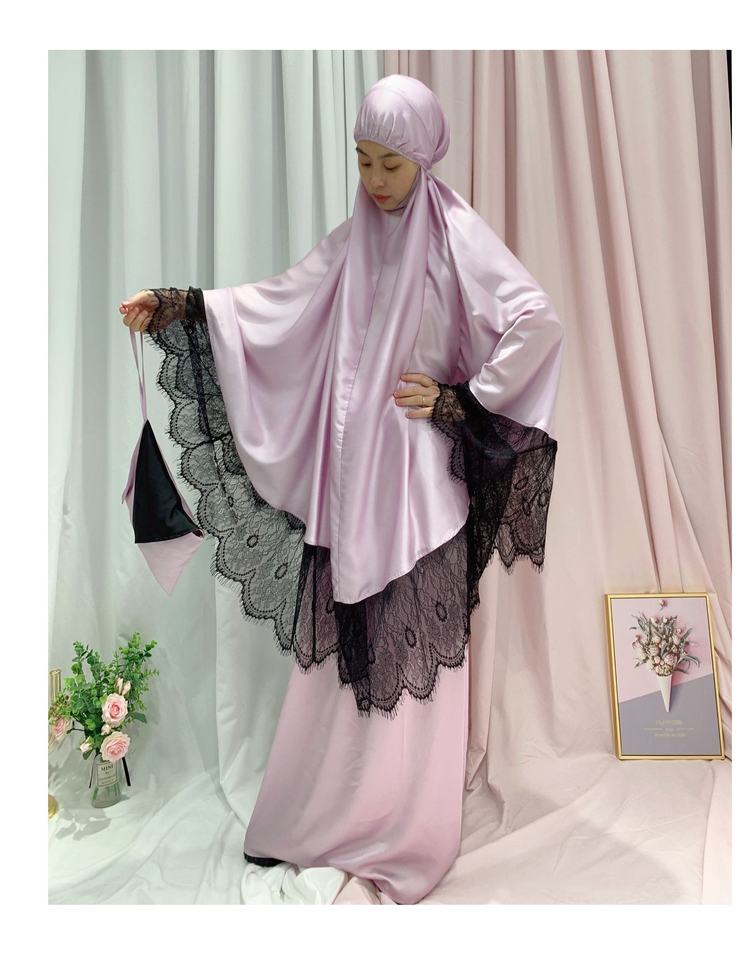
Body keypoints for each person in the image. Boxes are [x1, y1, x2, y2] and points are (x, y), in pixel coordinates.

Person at [118, 74, 563, 904]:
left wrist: (461, 399)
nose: (376, 180)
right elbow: (279, 305)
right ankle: (320, 818)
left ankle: (406, 828)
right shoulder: (356, 239)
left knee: (408, 654)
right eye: (363, 161)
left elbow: (536, 320)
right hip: (349, 479)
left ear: (423, 157)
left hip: (416, 486)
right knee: (340, 661)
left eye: (391, 163)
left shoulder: (457, 237)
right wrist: (180, 305)